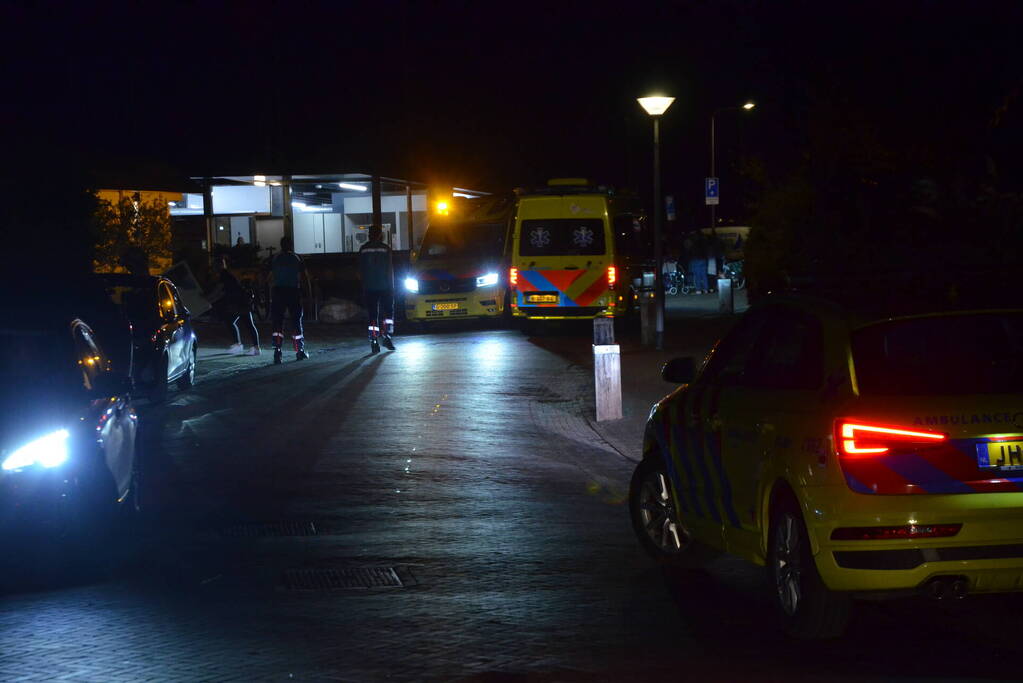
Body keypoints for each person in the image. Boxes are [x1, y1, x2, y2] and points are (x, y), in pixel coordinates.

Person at [269, 235, 308, 364]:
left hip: (278, 291)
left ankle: (277, 352)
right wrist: (307, 293)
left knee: (278, 322)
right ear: (291, 245)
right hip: (293, 291)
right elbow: (303, 277)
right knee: (296, 321)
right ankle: (299, 351)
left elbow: (270, 276)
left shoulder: (275, 258)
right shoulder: (297, 258)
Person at [358, 225, 395, 353]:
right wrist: (392, 286)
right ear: (380, 235)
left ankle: (374, 341)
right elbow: (390, 270)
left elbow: (360, 270)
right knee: (388, 314)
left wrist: (363, 286)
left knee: (372, 316)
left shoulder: (363, 249)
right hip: (385, 287)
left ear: (369, 235)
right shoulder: (386, 249)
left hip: (369, 287)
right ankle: (387, 337)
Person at [215, 256, 259, 355]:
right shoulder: (226, 274)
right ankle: (243, 345)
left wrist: (207, 297)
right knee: (233, 321)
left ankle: (251, 347)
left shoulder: (224, 274)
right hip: (240, 302)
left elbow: (219, 289)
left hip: (240, 302)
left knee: (243, 323)